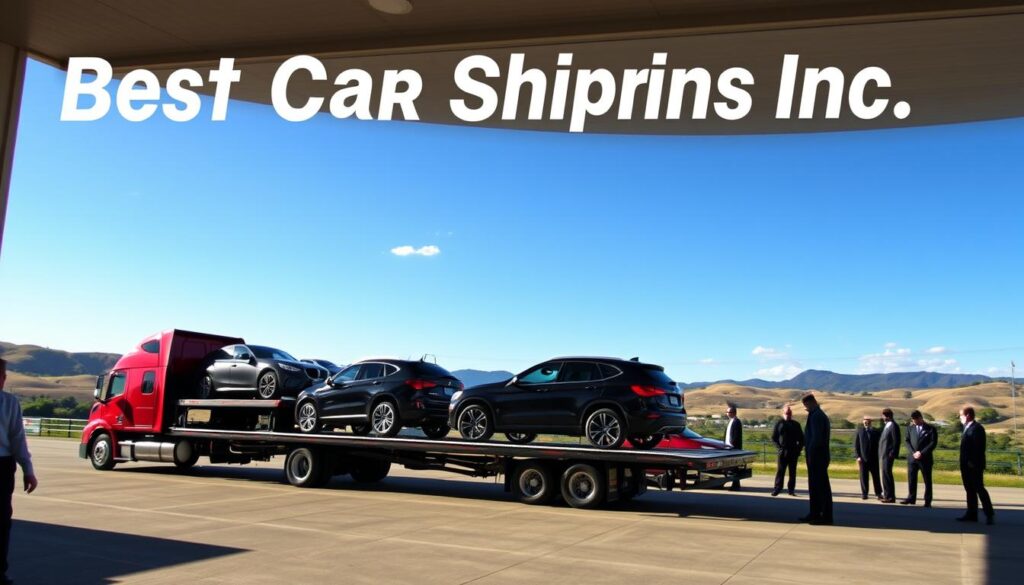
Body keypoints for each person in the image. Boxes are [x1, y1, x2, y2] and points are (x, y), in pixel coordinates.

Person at [1, 358, 38, 585]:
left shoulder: (9, 403)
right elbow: (17, 439)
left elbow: (17, 439)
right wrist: (28, 470)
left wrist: (27, 469)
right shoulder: (9, 402)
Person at [957, 405, 995, 524]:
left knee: (979, 488)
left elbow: (979, 448)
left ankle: (989, 514)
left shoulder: (977, 428)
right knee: (969, 489)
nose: (960, 418)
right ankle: (972, 513)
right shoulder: (966, 428)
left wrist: (972, 462)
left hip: (974, 465)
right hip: (965, 465)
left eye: (961, 415)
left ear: (968, 415)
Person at [799, 393, 832, 525]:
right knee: (814, 486)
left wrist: (811, 455)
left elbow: (817, 439)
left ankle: (825, 516)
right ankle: (814, 512)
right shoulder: (815, 414)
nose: (805, 408)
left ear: (811, 402)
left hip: (817, 456)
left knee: (821, 487)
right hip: (815, 456)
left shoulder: (817, 416)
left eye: (806, 405)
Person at [902, 410, 937, 507]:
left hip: (925, 459)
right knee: (911, 479)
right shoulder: (910, 428)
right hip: (912, 459)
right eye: (913, 420)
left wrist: (922, 453)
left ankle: (928, 500)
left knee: (927, 480)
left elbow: (932, 443)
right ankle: (911, 498)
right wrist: (914, 453)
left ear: (920, 418)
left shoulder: (930, 429)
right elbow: (907, 441)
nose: (914, 422)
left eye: (915, 420)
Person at [770, 405, 803, 496]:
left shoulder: (796, 424)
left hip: (793, 452)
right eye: (786, 413)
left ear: (791, 414)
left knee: (792, 472)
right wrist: (779, 448)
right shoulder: (779, 424)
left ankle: (791, 490)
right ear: (783, 413)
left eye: (789, 413)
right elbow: (773, 438)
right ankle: (777, 488)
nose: (788, 415)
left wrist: (798, 450)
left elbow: (802, 439)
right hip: (782, 451)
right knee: (780, 471)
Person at [853, 415, 882, 500]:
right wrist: (858, 456)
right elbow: (856, 445)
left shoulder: (876, 432)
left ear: (871, 422)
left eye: (868, 421)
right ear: (863, 421)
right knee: (864, 477)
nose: (866, 422)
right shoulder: (859, 431)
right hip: (863, 459)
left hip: (874, 458)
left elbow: (880, 444)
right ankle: (864, 493)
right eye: (865, 420)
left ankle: (878, 493)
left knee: (876, 477)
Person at [878, 408, 900, 503]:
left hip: (888, 455)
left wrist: (893, 453)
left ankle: (890, 496)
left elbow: (896, 441)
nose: (882, 418)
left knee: (887, 474)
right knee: (884, 474)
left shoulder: (893, 426)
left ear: (887, 416)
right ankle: (886, 494)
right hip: (883, 454)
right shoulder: (887, 425)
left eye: (883, 416)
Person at [723, 405, 743, 491]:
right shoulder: (731, 421)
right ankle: (736, 484)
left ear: (734, 413)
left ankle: (736, 485)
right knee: (732, 467)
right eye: (727, 412)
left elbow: (736, 436)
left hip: (733, 448)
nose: (727, 414)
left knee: (734, 467)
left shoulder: (736, 422)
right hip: (728, 448)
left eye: (729, 412)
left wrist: (732, 445)